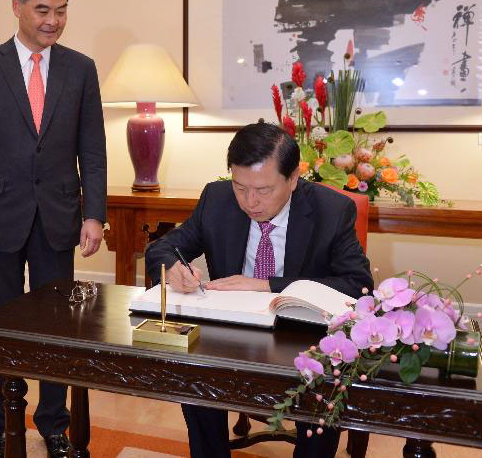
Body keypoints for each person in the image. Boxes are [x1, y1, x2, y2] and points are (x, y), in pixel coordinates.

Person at [0, 0, 107, 458]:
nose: (52, 21)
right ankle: (5, 425)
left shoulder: (81, 68)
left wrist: (93, 213)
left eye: (61, 10)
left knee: (58, 329)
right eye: (42, 10)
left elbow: (93, 148)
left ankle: (54, 425)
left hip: (58, 218)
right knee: (0, 330)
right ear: (16, 5)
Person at [145, 122, 373, 458]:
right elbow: (163, 249)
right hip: (232, 332)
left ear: (293, 179)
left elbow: (358, 285)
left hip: (302, 335)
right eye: (240, 187)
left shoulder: (331, 210)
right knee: (194, 367)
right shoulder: (217, 199)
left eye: (264, 190)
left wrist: (267, 285)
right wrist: (174, 270)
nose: (250, 202)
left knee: (327, 384)